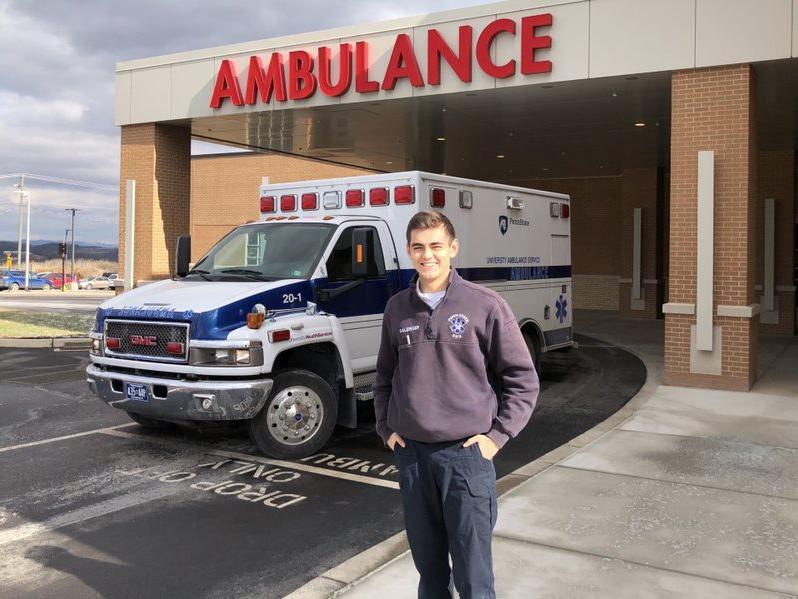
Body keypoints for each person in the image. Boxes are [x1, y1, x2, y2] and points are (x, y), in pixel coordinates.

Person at [374, 210, 540, 599]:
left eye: (435, 246)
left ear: (453, 248)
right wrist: (386, 428)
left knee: (473, 573)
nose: (426, 255)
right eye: (418, 247)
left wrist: (497, 436)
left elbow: (523, 380)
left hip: (466, 459)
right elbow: (383, 378)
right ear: (409, 251)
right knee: (429, 572)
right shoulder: (397, 308)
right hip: (413, 458)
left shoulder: (486, 305)